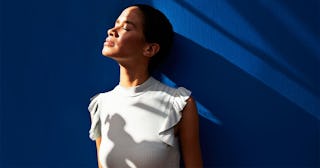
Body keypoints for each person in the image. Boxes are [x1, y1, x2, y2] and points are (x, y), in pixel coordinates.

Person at [88, 4, 202, 168]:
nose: (112, 31)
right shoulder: (101, 105)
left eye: (126, 27)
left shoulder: (179, 104)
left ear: (150, 48)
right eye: (116, 23)